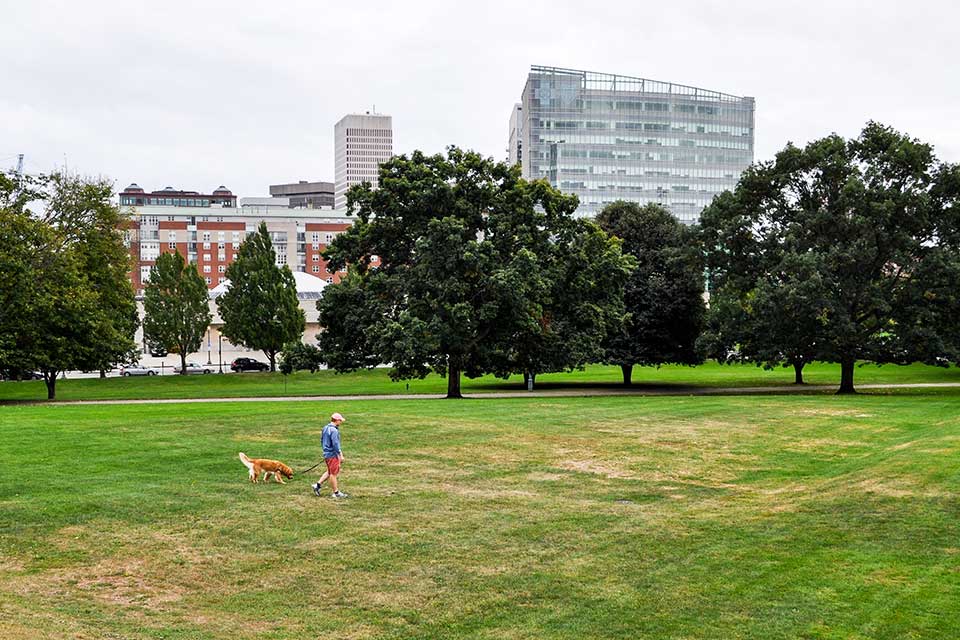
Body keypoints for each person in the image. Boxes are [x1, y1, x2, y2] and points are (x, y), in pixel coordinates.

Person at [312, 412, 347, 498]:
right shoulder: (334, 430)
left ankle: (317, 485)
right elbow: (335, 444)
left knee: (330, 471)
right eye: (340, 421)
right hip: (332, 455)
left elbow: (322, 440)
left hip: (327, 453)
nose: (341, 422)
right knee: (333, 474)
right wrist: (340, 455)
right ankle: (336, 493)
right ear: (336, 420)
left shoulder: (325, 428)